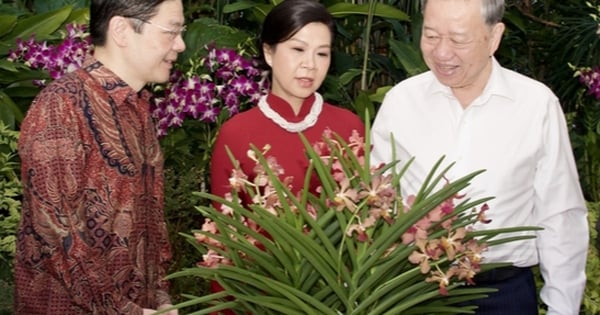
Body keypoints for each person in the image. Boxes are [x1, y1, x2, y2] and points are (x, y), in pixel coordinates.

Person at [370, 0, 588, 314]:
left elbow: (560, 215)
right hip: (414, 292)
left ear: (494, 37)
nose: (442, 53)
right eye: (431, 36)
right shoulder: (401, 103)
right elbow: (378, 201)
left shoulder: (535, 105)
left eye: (458, 39)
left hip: (502, 293)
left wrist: (563, 308)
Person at [13, 0, 185, 314]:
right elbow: (57, 233)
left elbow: (151, 227)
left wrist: (160, 298)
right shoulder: (61, 106)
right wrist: (123, 310)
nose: (181, 44)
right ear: (121, 29)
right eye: (171, 31)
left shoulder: (138, 111)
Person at [209, 0, 364, 313]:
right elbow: (224, 243)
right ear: (269, 52)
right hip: (263, 299)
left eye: (322, 53)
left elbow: (365, 224)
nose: (310, 64)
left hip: (340, 299)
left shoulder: (349, 127)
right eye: (297, 50)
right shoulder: (236, 134)